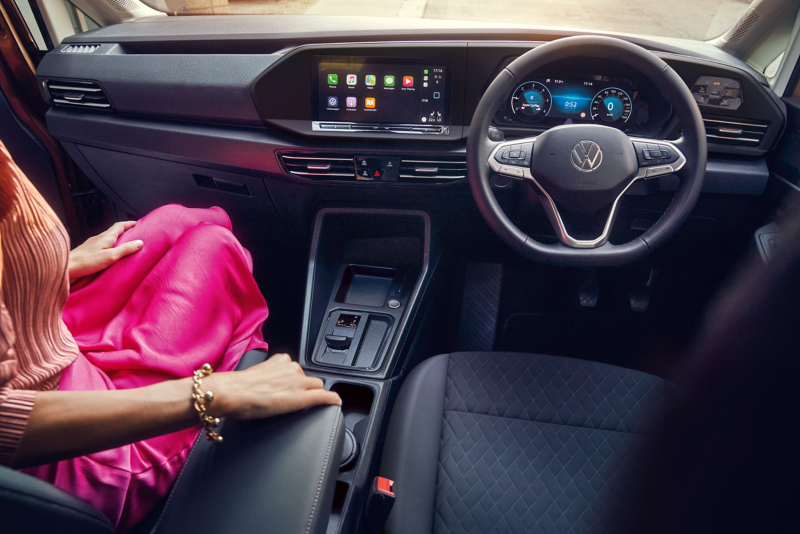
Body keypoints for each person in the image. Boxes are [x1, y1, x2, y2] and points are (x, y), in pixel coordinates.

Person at [0, 140, 341, 531]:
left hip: (43, 340)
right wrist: (214, 393)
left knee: (179, 220)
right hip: (74, 453)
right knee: (217, 251)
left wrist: (49, 265)